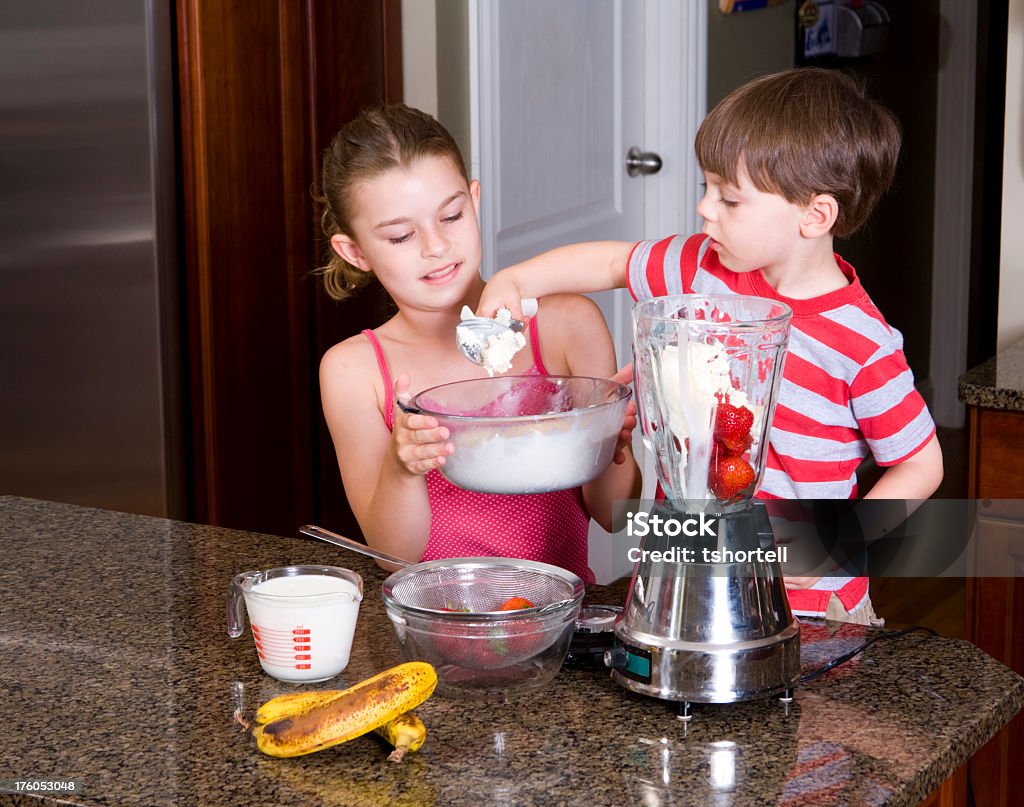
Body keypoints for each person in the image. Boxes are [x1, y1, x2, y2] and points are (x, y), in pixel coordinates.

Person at [477, 68, 944, 622]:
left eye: (730, 199)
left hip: (804, 603)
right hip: (684, 575)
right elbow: (609, 262)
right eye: (707, 188)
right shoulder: (701, 266)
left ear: (815, 215)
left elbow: (921, 463)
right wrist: (516, 281)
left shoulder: (863, 344)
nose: (705, 208)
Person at [317, 104, 641, 583]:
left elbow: (615, 516)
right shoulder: (354, 371)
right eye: (402, 236)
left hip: (559, 628)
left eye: (451, 216)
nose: (435, 246)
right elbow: (392, 554)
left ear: (474, 200)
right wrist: (403, 466)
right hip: (435, 628)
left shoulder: (567, 325)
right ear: (356, 251)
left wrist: (608, 438)